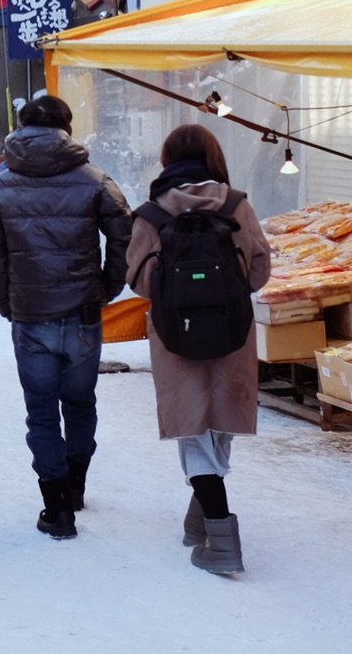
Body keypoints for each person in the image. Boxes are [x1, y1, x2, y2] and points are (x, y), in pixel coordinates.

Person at [0, 94, 133, 540]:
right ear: (66, 128)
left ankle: (57, 508)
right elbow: (125, 230)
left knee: (42, 412)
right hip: (83, 310)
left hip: (30, 313)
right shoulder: (93, 179)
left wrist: (5, 299)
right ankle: (77, 485)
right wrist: (109, 284)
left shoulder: (2, 186)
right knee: (81, 401)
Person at [126, 123, 271, 576]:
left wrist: (178, 289)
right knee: (220, 424)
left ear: (168, 159)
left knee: (193, 429)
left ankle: (222, 542)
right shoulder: (235, 204)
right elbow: (259, 270)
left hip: (176, 335)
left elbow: (137, 278)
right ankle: (202, 522)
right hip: (231, 331)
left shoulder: (151, 213)